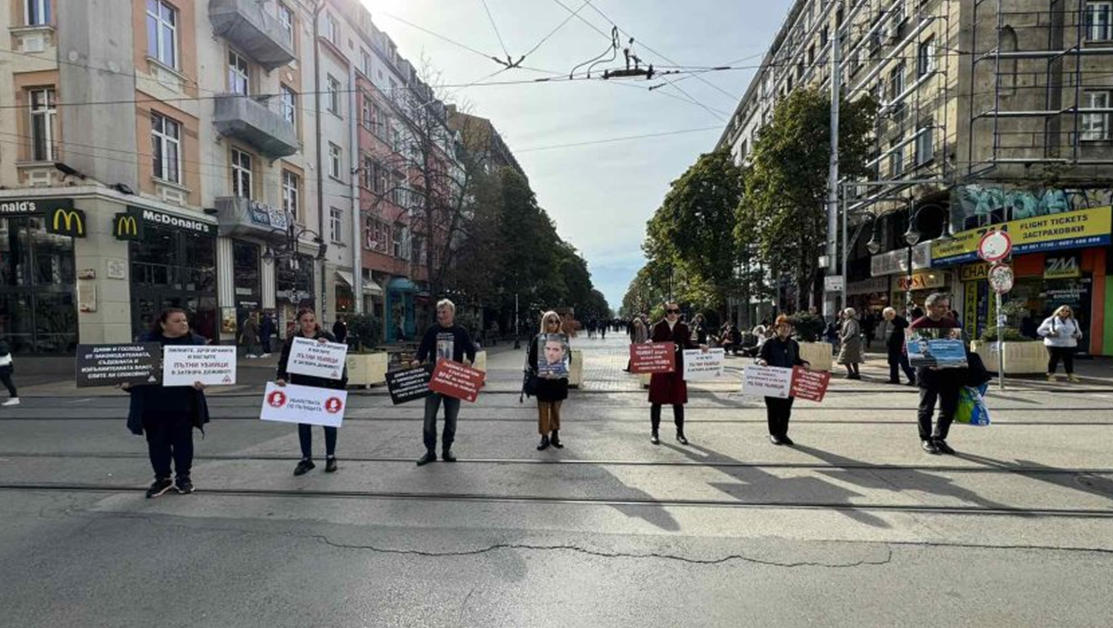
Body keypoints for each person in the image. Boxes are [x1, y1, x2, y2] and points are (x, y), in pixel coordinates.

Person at [123, 308, 209, 498]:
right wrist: (127, 383)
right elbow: (133, 375)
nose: (183, 324)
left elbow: (207, 371)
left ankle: (183, 478)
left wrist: (204, 382)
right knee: (156, 444)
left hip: (183, 404)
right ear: (163, 324)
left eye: (185, 320)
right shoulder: (145, 344)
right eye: (177, 321)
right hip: (152, 404)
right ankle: (162, 478)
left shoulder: (196, 343)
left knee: (183, 443)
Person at [277, 308, 348, 476]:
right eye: (305, 321)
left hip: (326, 386)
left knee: (329, 424)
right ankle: (306, 458)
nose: (308, 324)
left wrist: (328, 347)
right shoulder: (293, 340)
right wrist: (281, 377)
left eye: (311, 320)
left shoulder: (327, 337)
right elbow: (284, 361)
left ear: (316, 321)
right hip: (302, 386)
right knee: (304, 424)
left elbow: (338, 359)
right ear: (299, 322)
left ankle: (331, 457)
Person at [414, 299, 476, 466]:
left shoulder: (460, 331)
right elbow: (422, 350)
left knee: (451, 420)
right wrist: (417, 360)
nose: (440, 315)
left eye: (444, 312)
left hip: (453, 381)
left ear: (452, 314)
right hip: (434, 380)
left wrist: (469, 360)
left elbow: (471, 350)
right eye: (439, 312)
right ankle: (430, 451)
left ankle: (446, 449)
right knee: (429, 420)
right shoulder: (432, 330)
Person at [910, 293, 963, 455]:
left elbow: (957, 346)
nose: (945, 309)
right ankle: (926, 438)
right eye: (941, 307)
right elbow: (909, 350)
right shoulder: (918, 325)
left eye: (947, 306)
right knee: (927, 408)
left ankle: (939, 438)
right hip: (928, 374)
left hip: (949, 372)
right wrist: (928, 362)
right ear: (929, 307)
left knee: (949, 408)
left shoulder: (950, 323)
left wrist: (954, 358)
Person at [647, 302, 706, 445]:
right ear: (665, 313)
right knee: (656, 400)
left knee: (678, 400)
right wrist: (649, 342)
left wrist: (700, 346)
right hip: (661, 367)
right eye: (670, 311)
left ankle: (680, 432)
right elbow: (653, 340)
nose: (673, 314)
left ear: (679, 313)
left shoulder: (683, 327)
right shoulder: (658, 326)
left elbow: (688, 343)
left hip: (678, 366)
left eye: (676, 311)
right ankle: (655, 431)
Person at [757, 315, 811, 446]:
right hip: (773, 382)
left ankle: (783, 434)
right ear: (776, 328)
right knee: (773, 409)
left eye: (788, 327)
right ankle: (774, 433)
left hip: (789, 382)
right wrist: (761, 361)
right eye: (783, 327)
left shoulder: (794, 344)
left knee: (786, 410)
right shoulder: (769, 343)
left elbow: (797, 360)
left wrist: (804, 363)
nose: (786, 329)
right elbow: (759, 356)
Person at [528, 311, 570, 451]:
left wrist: (561, 367)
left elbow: (568, 358)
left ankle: (555, 435)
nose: (554, 324)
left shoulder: (563, 339)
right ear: (545, 323)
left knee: (556, 410)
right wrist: (541, 370)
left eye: (556, 321)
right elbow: (531, 360)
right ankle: (544, 437)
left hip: (558, 381)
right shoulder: (538, 339)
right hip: (544, 381)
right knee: (543, 410)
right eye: (550, 321)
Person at [1038, 305, 1083, 382]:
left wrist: (1077, 335)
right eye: (1062, 311)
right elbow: (1040, 330)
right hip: (1054, 343)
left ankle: (1070, 375)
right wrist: (1050, 333)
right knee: (1054, 359)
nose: (1065, 312)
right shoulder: (1050, 320)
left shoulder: (1073, 321)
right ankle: (1051, 375)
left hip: (1069, 343)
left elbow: (1078, 332)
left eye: (1067, 311)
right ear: (1058, 311)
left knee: (1068, 360)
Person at [883, 307, 916, 385]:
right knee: (892, 363)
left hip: (900, 347)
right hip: (891, 347)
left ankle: (912, 379)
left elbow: (909, 332)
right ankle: (894, 378)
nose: (885, 317)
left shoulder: (901, 321)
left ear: (891, 314)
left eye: (886, 315)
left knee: (904, 364)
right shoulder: (889, 321)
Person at [837, 308, 863, 379]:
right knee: (854, 358)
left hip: (851, 342)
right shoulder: (849, 321)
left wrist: (844, 339)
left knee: (844, 358)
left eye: (845, 314)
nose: (844, 315)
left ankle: (851, 372)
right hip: (853, 342)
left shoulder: (851, 321)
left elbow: (851, 332)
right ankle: (856, 373)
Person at [0, 335, 19, 406]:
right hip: (3, 365)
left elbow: (4, 352)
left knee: (7, 382)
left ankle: (14, 397)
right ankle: (14, 397)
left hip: (4, 366)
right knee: (7, 382)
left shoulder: (2, 343)